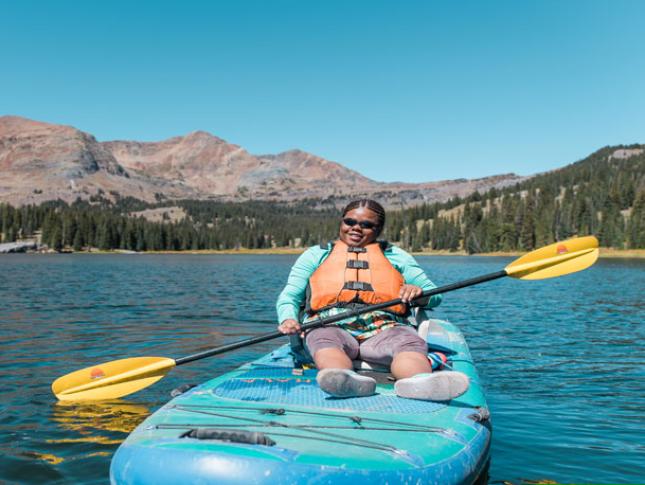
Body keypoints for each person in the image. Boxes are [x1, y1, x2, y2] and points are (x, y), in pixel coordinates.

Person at [276, 199, 470, 401]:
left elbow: (434, 295)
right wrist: (288, 318)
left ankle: (419, 382)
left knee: (408, 342)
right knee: (324, 342)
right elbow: (289, 296)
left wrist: (419, 293)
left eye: (366, 225)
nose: (356, 228)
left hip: (385, 327)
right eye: (350, 221)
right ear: (342, 222)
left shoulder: (397, 256)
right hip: (329, 325)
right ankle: (344, 381)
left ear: (378, 229)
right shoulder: (317, 255)